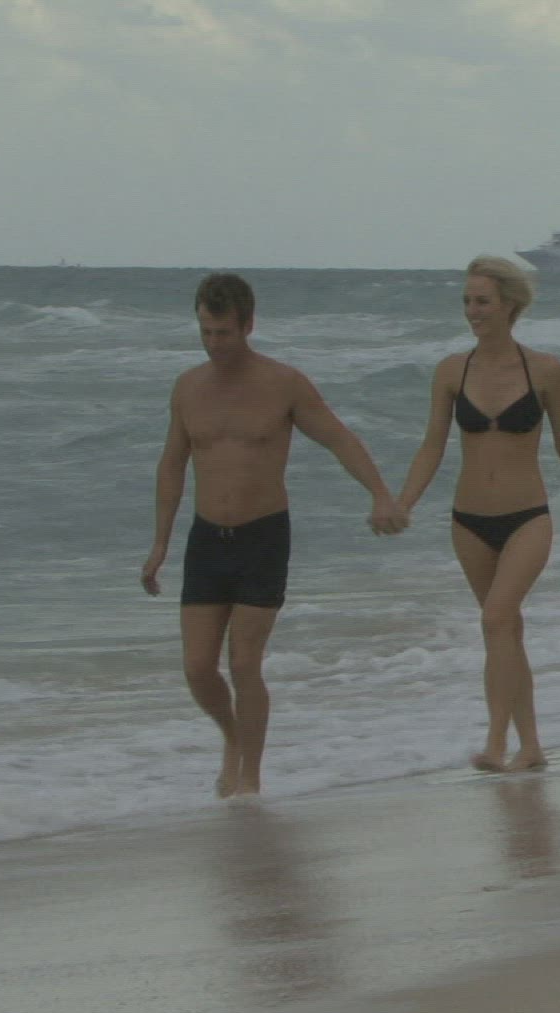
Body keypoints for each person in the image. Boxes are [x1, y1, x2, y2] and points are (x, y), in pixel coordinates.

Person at [141, 273, 407, 798]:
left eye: (223, 332)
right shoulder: (188, 387)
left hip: (263, 537)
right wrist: (159, 545)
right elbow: (172, 465)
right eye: (206, 332)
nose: (214, 343)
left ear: (248, 325)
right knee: (197, 668)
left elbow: (338, 438)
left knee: (244, 663)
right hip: (206, 539)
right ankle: (232, 739)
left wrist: (380, 494)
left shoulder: (283, 384)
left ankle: (251, 780)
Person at [395, 256, 560, 773]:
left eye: (482, 301)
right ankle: (530, 746)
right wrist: (403, 502)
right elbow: (431, 445)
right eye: (467, 301)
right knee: (504, 629)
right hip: (468, 522)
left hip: (528, 517)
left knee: (495, 619)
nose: (472, 311)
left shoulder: (545, 370)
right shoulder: (452, 371)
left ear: (510, 304)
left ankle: (495, 741)